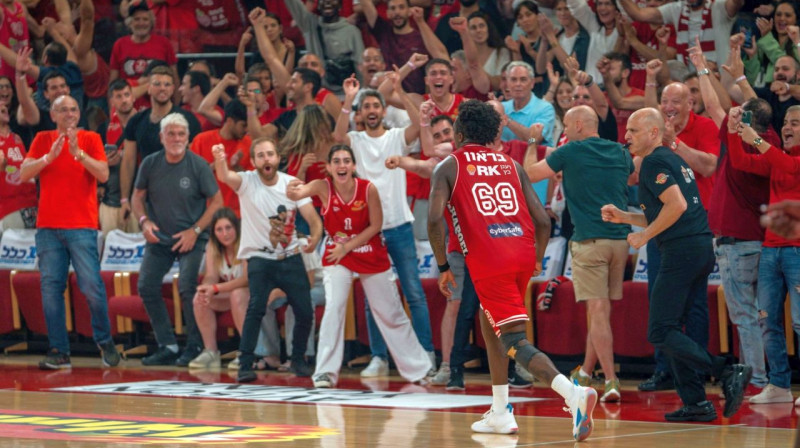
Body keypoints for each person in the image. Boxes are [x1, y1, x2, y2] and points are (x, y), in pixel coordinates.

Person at [428, 99, 596, 438]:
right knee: (492, 325)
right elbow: (543, 221)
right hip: (519, 253)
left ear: (459, 134)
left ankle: (573, 393)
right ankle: (501, 410)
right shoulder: (511, 164)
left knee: (513, 340)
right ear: (493, 133)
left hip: (489, 260)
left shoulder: (449, 165)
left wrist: (444, 266)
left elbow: (433, 220)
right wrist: (535, 258)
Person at [601, 107, 751, 421]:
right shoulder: (671, 159)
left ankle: (726, 372)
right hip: (697, 248)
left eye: (633, 130)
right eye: (626, 131)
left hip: (682, 251)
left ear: (654, 132)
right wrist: (626, 217)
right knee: (672, 330)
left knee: (660, 331)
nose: (626, 136)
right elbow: (665, 211)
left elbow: (677, 206)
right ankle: (696, 402)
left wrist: (643, 238)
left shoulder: (654, 161)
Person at [286, 144, 431, 388]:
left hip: (368, 250)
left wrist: (347, 247)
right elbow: (298, 193)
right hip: (337, 254)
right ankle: (324, 372)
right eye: (336, 161)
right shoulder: (323, 186)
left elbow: (376, 225)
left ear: (353, 166)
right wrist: (292, 187)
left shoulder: (368, 189)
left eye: (346, 161)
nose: (342, 165)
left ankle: (419, 369)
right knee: (334, 308)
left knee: (390, 312)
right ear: (330, 167)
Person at [526, 105, 633, 403]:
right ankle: (586, 371)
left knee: (597, 312)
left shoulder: (570, 151)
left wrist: (533, 141)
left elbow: (529, 174)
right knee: (600, 314)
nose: (564, 132)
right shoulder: (620, 152)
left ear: (577, 124)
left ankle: (611, 379)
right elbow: (631, 178)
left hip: (589, 242)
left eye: (565, 127)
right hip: (620, 243)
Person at [334, 77, 436, 377]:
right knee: (373, 297)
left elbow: (419, 126)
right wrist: (348, 100)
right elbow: (338, 137)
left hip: (400, 225)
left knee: (413, 292)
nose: (371, 109)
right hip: (369, 230)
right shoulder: (356, 140)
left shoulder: (394, 136)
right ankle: (379, 357)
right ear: (360, 113)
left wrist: (401, 92)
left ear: (383, 110)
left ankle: (425, 352)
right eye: (365, 106)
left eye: (376, 105)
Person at [20, 95, 120, 369]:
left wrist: (80, 154)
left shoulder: (90, 138)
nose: (69, 114)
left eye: (73, 109)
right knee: (51, 289)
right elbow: (24, 173)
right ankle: (59, 350)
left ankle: (105, 341)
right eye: (63, 110)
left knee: (91, 286)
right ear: (52, 115)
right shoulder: (42, 138)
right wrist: (48, 157)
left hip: (82, 226)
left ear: (79, 114)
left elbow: (103, 174)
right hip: (48, 227)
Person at [212, 137, 322, 383]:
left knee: (304, 310)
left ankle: (297, 359)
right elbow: (225, 176)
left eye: (270, 154)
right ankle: (246, 363)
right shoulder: (247, 181)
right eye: (260, 155)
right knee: (255, 309)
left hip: (291, 255)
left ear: (278, 158)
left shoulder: (292, 184)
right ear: (253, 161)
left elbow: (313, 219)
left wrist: (314, 238)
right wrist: (220, 160)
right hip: (260, 258)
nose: (266, 159)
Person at [131, 113, 223, 367]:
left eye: (181, 134)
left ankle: (195, 345)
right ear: (161, 137)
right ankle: (168, 345)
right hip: (160, 237)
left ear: (188, 138)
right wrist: (144, 221)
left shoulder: (198, 165)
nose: (176, 138)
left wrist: (195, 230)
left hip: (192, 237)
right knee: (146, 285)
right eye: (170, 133)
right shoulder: (150, 163)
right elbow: (137, 197)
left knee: (187, 286)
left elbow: (217, 202)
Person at [727, 105, 800, 406]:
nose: (787, 127)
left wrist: (755, 138)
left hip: (797, 250)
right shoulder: (776, 158)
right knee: (768, 321)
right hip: (771, 250)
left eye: (795, 123)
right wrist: (734, 133)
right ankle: (780, 386)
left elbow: (789, 167)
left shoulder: (785, 160)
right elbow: (741, 161)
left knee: (799, 322)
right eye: (786, 123)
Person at [188, 207, 249, 369]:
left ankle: (248, 352)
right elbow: (211, 276)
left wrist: (215, 288)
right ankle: (211, 351)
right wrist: (206, 287)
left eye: (228, 228)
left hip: (252, 295)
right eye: (219, 230)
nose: (225, 233)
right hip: (232, 295)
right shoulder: (213, 248)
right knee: (199, 299)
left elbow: (246, 280)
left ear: (236, 228)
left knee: (237, 294)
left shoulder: (246, 244)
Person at [97, 79, 138, 236]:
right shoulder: (103, 128)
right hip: (110, 200)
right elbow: (93, 160)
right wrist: (104, 163)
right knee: (108, 252)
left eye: (127, 95)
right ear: (112, 100)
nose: (124, 100)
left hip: (138, 201)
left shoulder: (145, 123)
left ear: (133, 97)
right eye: (119, 96)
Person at [0, 101, 36, 234]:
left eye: (4, 107)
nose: (3, 106)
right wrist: (7, 168)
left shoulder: (16, 138)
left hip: (31, 202)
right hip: (9, 206)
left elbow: (22, 165)